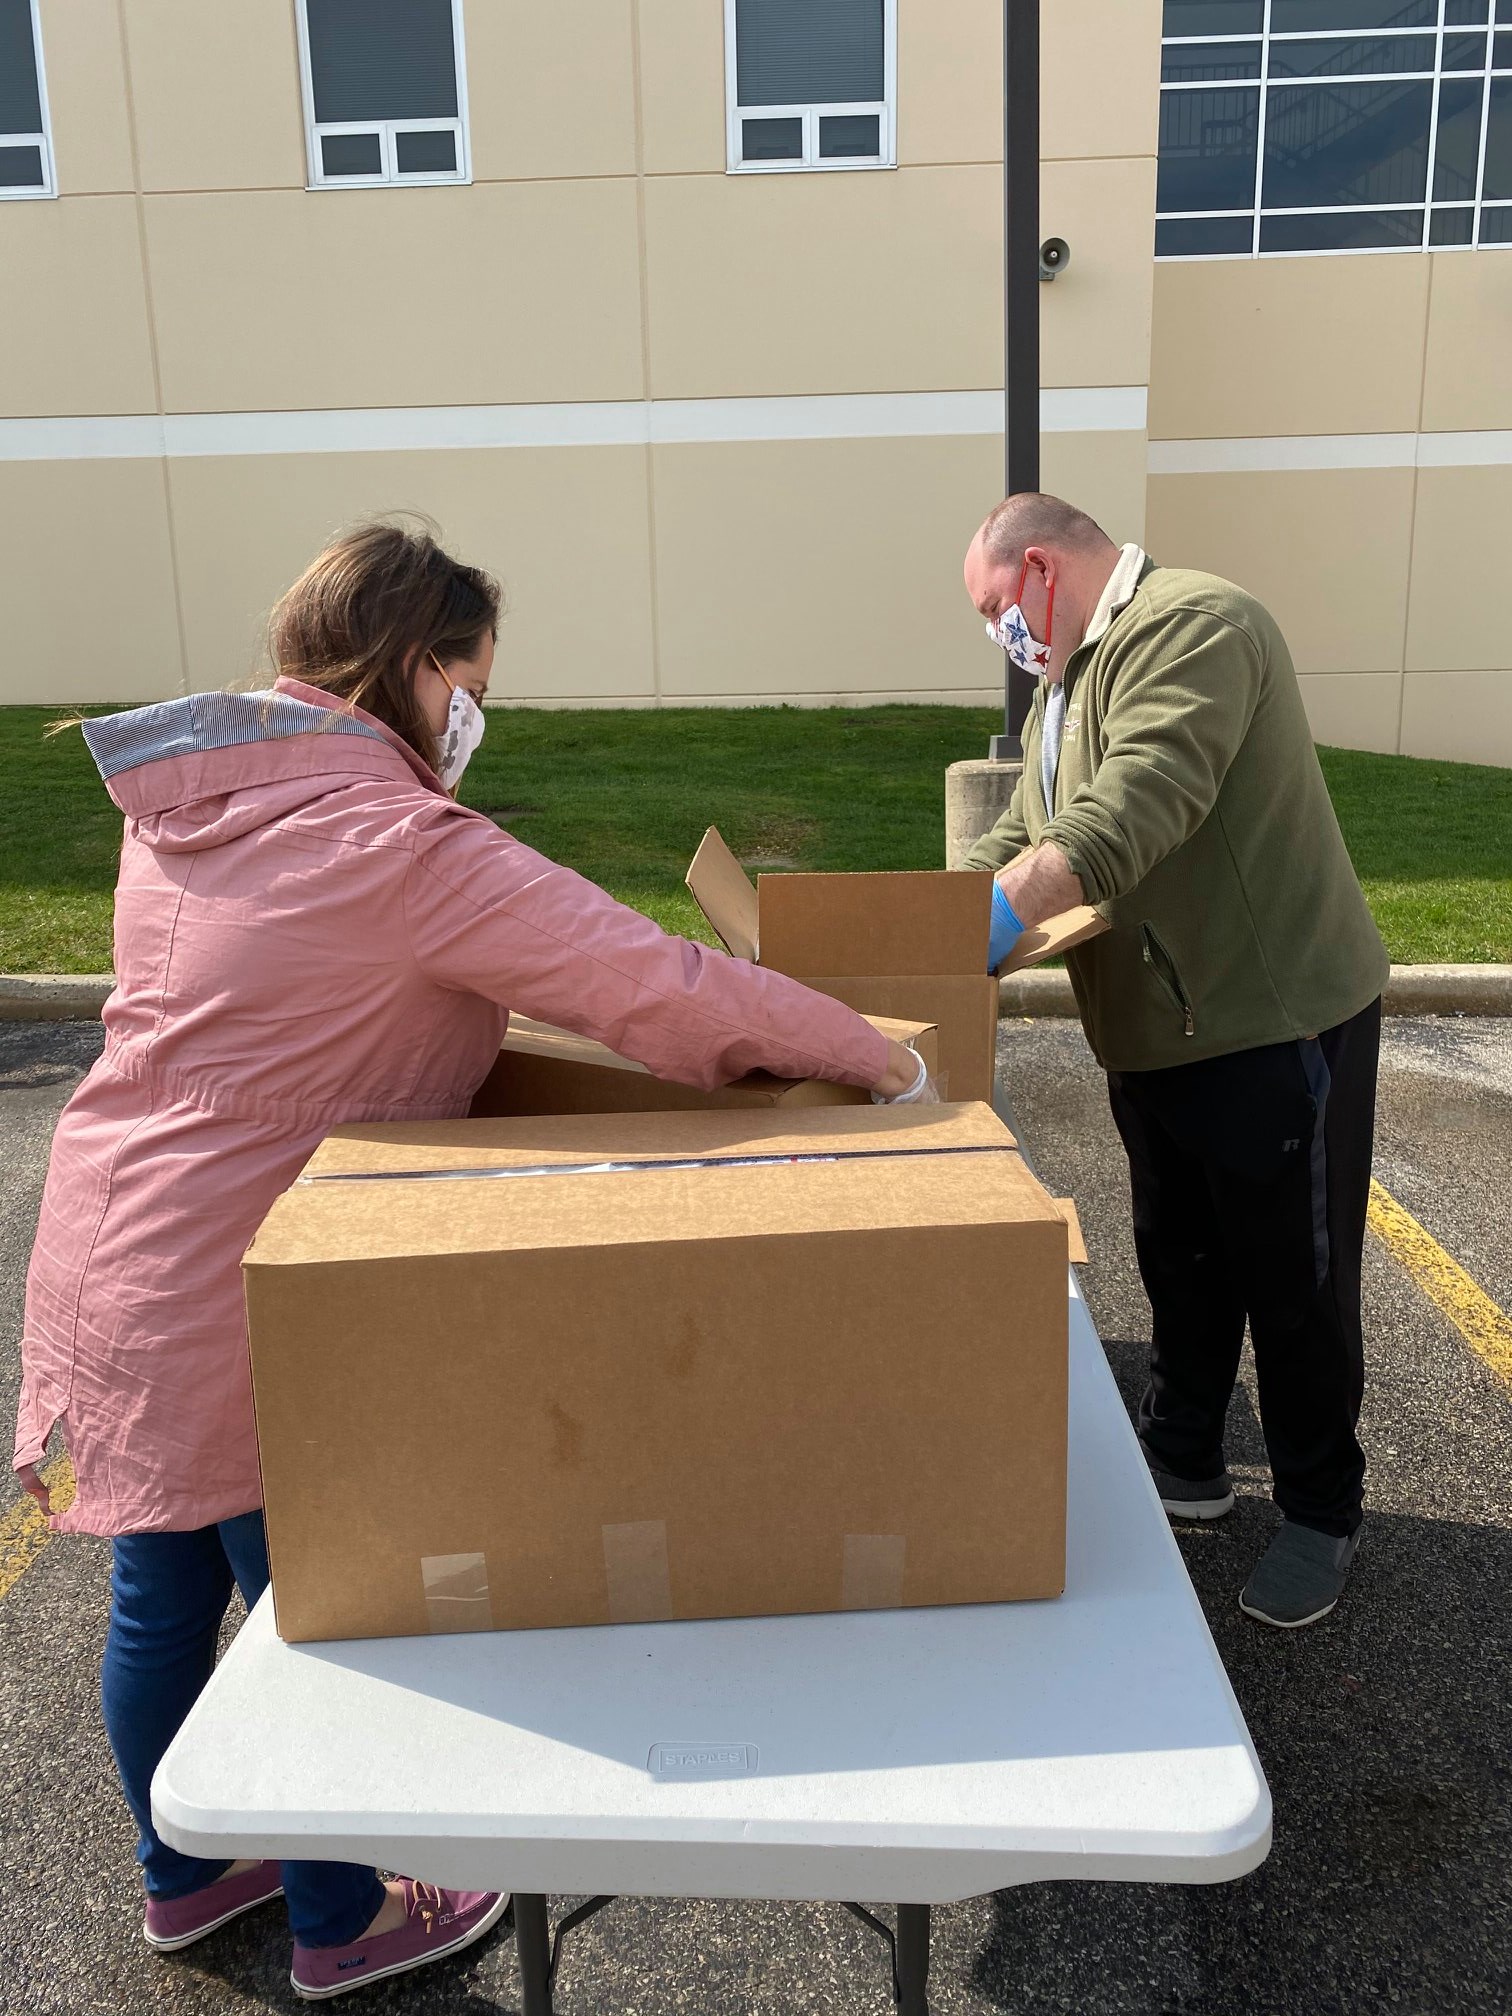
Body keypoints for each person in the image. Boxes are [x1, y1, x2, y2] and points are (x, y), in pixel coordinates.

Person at [13, 520, 928, 2001]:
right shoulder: (396, 840)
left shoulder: (195, 799)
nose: (474, 717)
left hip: (113, 1239)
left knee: (159, 1590)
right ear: (413, 668)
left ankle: (182, 1877)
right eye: (473, 682)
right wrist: (869, 1054)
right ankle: (339, 1916)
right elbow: (650, 984)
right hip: (249, 1271)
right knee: (307, 1617)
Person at [963, 492, 1390, 1631]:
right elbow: (1028, 827)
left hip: (1268, 1024)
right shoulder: (1066, 681)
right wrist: (937, 908)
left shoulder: (1200, 625)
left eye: (997, 609)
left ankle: (1319, 1511)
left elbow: (1126, 812)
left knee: (1290, 1282)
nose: (999, 637)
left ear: (1041, 567)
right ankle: (1187, 1462)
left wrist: (978, 933)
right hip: (1158, 1032)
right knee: (1182, 1261)